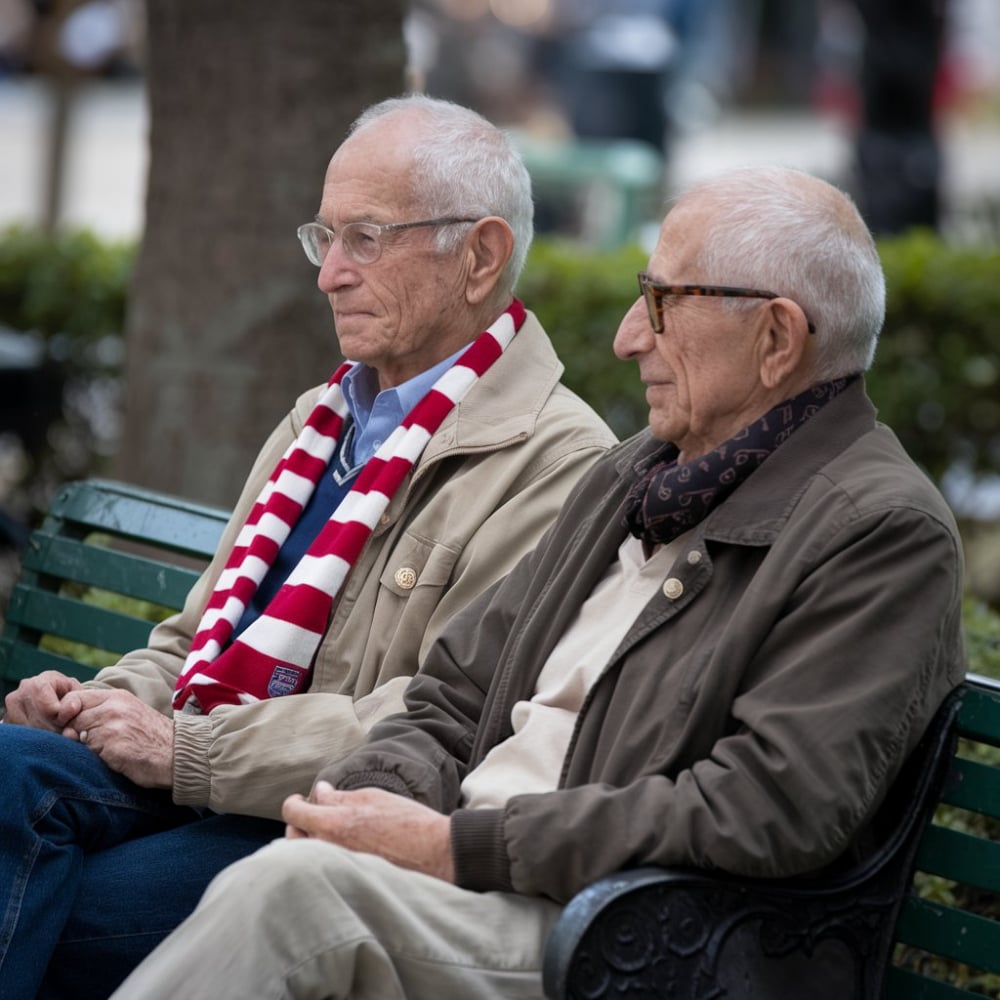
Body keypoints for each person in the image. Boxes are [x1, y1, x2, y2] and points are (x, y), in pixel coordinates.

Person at [110, 164, 966, 1000]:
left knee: (292, 900)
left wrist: (458, 846)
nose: (631, 335)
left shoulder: (880, 531)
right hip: (487, 888)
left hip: (624, 938)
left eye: (663, 303)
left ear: (777, 338)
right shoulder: (637, 474)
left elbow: (764, 808)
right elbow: (452, 694)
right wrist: (370, 804)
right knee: (288, 871)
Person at [0, 94, 617, 999]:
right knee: (11, 763)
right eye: (322, 238)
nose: (329, 274)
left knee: (64, 903)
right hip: (199, 770)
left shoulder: (559, 462)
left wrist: (188, 753)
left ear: (481, 254)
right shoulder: (323, 416)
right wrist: (93, 703)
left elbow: (447, 721)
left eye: (365, 238)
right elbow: (197, 638)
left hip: (329, 818)